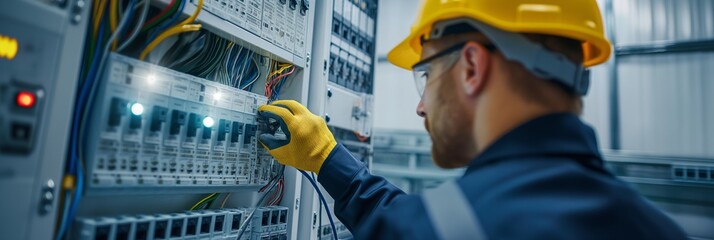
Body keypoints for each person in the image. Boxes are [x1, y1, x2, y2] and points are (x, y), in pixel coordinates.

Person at [257, 0, 688, 239]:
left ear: (471, 68)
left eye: (425, 75)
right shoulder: (658, 228)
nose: (421, 107)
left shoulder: (445, 228)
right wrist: (327, 157)